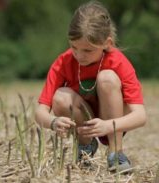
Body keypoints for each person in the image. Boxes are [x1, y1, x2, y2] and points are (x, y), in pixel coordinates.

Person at [35, 0, 147, 172]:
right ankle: (85, 146)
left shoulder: (118, 62)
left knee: (107, 78)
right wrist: (53, 122)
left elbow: (140, 116)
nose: (80, 55)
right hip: (84, 122)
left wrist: (109, 125)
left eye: (88, 50)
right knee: (60, 97)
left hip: (113, 121)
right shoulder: (63, 62)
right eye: (74, 47)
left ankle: (115, 153)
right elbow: (40, 112)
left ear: (107, 43)